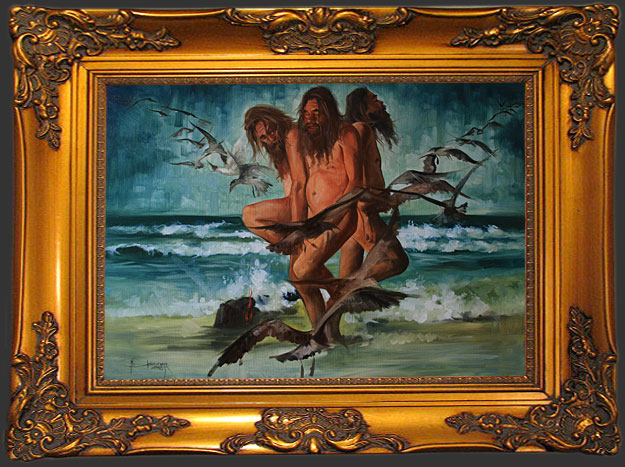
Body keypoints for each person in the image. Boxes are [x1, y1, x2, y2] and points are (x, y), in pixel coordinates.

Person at [289, 87, 363, 335]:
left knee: (303, 270)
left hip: (340, 216)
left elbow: (355, 183)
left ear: (329, 112)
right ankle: (323, 335)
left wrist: (335, 214)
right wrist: (298, 228)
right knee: (299, 280)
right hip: (313, 219)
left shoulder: (346, 134)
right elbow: (300, 185)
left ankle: (342, 290)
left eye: (316, 113)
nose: (310, 119)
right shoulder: (307, 139)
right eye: (306, 113)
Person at [340, 87, 409, 280]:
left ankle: (344, 292)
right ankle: (351, 288)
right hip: (362, 213)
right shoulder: (360, 129)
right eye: (374, 99)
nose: (381, 103)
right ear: (362, 106)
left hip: (357, 213)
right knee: (396, 261)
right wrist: (365, 215)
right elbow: (355, 176)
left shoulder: (361, 130)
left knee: (346, 277)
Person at [241, 105, 308, 244]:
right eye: (264, 137)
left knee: (249, 214)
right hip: (297, 203)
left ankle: (292, 245)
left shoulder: (292, 135)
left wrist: (297, 229)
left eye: (271, 131)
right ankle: (290, 246)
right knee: (249, 216)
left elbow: (299, 185)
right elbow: (290, 189)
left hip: (307, 202)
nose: (271, 139)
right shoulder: (278, 151)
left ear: (277, 121)